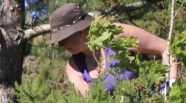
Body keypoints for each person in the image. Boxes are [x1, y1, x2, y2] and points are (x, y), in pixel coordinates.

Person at [49, 2, 178, 95]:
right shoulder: (75, 66)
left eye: (64, 38)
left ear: (80, 31)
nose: (61, 45)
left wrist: (171, 91)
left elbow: (165, 47)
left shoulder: (115, 34)